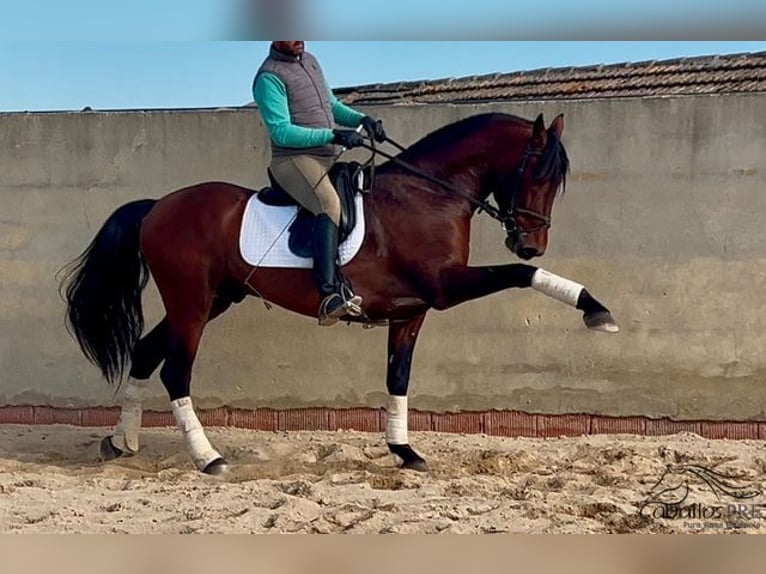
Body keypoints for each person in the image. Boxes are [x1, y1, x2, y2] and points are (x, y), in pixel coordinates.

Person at [252, 41, 387, 326]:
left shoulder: (310, 60)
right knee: (328, 204)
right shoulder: (268, 77)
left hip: (326, 157)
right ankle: (328, 295)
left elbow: (333, 106)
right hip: (293, 161)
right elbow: (282, 132)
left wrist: (363, 119)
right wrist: (333, 136)